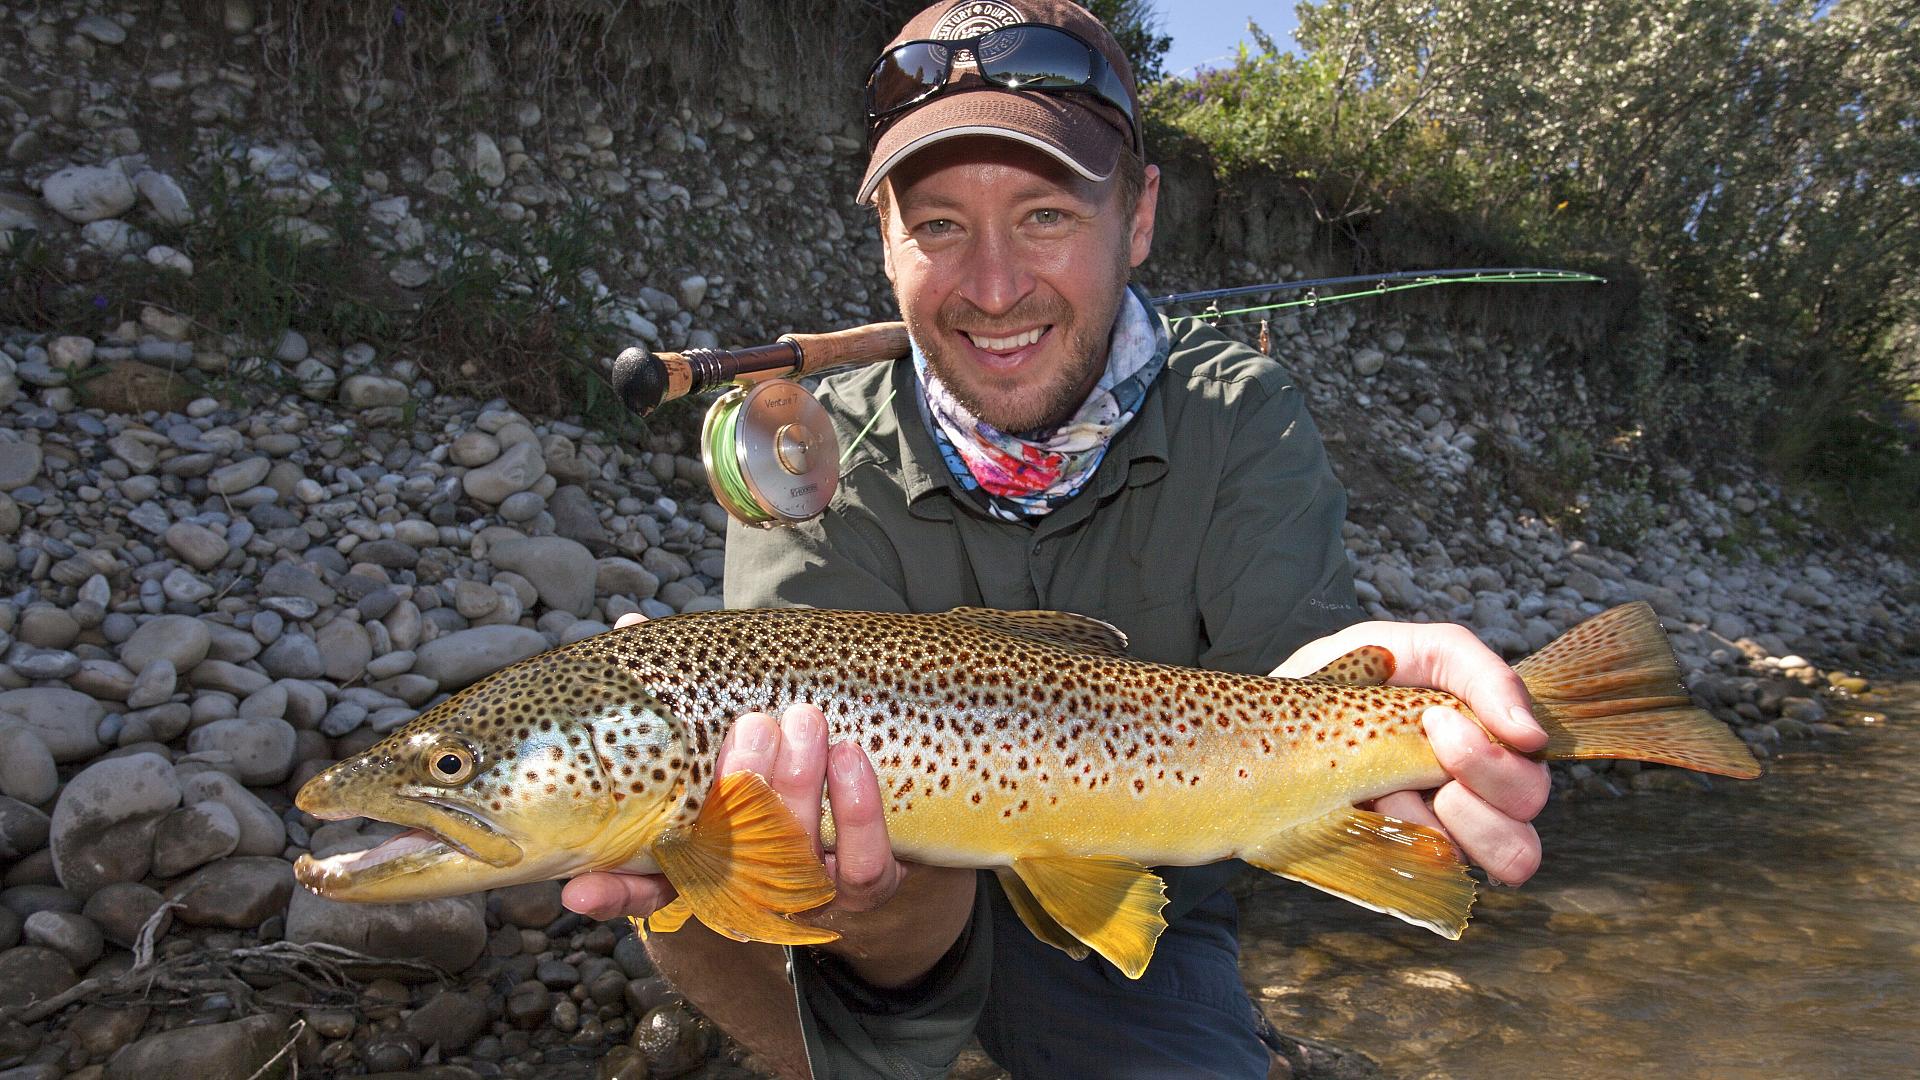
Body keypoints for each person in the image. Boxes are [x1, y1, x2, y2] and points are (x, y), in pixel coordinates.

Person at [562, 2, 1551, 1076]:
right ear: (887, 243)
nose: (993, 288)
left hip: (1140, 878)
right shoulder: (810, 450)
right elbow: (800, 762)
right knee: (703, 869)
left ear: (1138, 218)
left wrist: (1379, 718)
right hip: (874, 911)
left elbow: (1296, 688)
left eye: (1044, 216)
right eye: (938, 225)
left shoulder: (1238, 416)